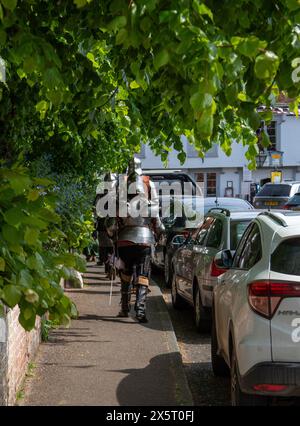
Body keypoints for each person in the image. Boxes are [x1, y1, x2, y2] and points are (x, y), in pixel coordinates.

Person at [114, 157, 164, 323]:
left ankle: (125, 308)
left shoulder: (122, 183)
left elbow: (115, 215)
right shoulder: (148, 183)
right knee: (143, 275)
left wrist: (112, 232)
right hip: (144, 239)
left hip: (125, 239)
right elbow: (155, 211)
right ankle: (140, 310)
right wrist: (159, 230)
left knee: (125, 274)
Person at [95, 172, 118, 274]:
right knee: (105, 247)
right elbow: (95, 209)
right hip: (105, 224)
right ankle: (109, 264)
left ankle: (110, 264)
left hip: (113, 223)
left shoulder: (118, 193)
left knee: (112, 247)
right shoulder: (100, 194)